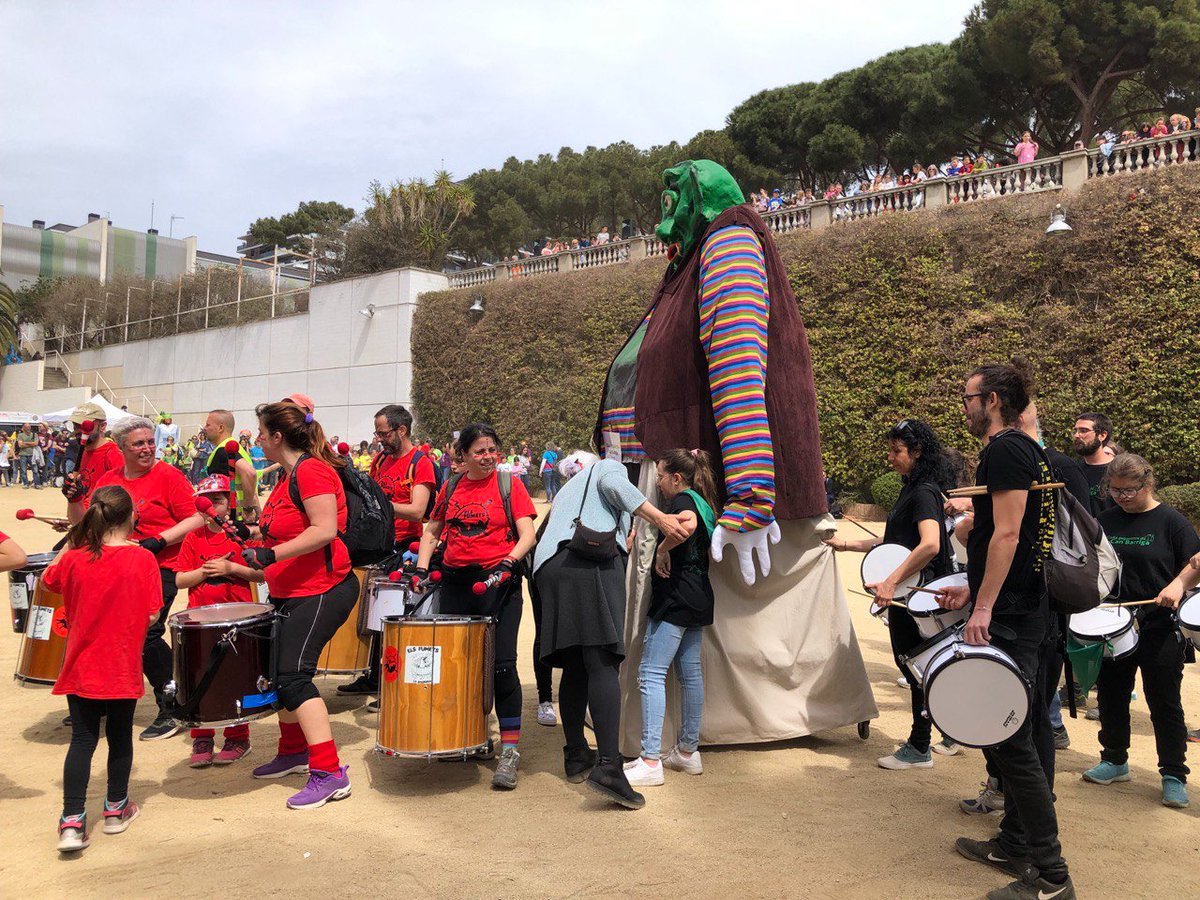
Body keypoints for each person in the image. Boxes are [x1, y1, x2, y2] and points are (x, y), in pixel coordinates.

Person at [937, 360, 1073, 900]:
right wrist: (974, 588)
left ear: (992, 399)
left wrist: (983, 607)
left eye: (968, 396)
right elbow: (1013, 537)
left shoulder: (1005, 449)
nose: (964, 406)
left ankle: (1054, 878)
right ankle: (1016, 843)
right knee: (1027, 732)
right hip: (1024, 608)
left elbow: (1010, 535)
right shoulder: (1029, 450)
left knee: (1013, 739)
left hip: (1017, 616)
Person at [532, 451, 687, 807]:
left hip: (550, 569)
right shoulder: (606, 467)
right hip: (587, 567)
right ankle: (609, 766)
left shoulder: (569, 489)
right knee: (602, 660)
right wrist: (661, 518)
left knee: (575, 664)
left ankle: (576, 754)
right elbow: (612, 482)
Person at [242, 396, 358, 810]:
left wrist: (271, 555)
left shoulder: (312, 471)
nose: (256, 440)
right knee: (278, 672)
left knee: (293, 675)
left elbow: (325, 530)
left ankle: (329, 773)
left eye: (260, 433)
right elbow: (283, 531)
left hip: (324, 588)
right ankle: (293, 752)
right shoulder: (286, 477)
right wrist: (255, 541)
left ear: (277, 436)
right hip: (293, 590)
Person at [825, 420, 960, 770]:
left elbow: (929, 544)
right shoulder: (911, 488)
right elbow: (895, 543)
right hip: (908, 593)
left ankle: (920, 745)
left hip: (918, 595)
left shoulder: (924, 492)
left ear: (917, 452)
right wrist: (845, 544)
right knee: (911, 663)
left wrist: (889, 582)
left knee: (917, 665)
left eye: (896, 451)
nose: (890, 458)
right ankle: (924, 741)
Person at [415, 423, 537, 790]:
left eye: (491, 450)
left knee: (501, 666)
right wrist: (422, 567)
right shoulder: (451, 486)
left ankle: (510, 752)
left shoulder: (508, 484)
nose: (487, 457)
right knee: (461, 665)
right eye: (479, 452)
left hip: (498, 584)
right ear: (462, 456)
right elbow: (433, 531)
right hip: (454, 584)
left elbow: (527, 531)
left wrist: (509, 562)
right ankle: (472, 737)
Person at [43, 485, 162, 853]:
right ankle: (115, 810)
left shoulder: (75, 558)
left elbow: (49, 579)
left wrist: (76, 537)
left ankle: (72, 822)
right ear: (131, 516)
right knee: (120, 736)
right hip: (121, 662)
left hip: (80, 663)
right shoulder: (142, 559)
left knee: (82, 741)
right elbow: (153, 612)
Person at [1082, 454, 1198, 809]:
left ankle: (1174, 774)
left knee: (1164, 701)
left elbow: (1196, 561)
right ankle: (1115, 760)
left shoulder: (1171, 521)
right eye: (1115, 490)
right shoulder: (1105, 519)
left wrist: (1178, 585)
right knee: (1112, 695)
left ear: (1147, 485)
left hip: (1159, 624)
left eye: (1129, 491)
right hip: (1114, 621)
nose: (1121, 497)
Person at [94, 416, 205, 740]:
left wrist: (160, 540)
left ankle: (173, 704)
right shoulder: (109, 481)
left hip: (162, 566)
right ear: (121, 448)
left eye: (149, 442)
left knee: (148, 633)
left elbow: (198, 517)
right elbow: (90, 519)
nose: (146, 449)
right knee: (112, 632)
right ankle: (102, 700)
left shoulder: (168, 476)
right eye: (138, 444)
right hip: (118, 567)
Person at [625, 449, 721, 788]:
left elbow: (686, 526)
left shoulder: (684, 499)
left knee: (651, 672)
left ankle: (651, 759)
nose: (660, 483)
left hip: (676, 596)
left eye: (662, 476)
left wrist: (661, 550)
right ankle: (686, 752)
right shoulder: (705, 500)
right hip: (699, 595)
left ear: (677, 478)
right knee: (689, 672)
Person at [338, 404, 436, 698]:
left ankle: (392, 683)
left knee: (396, 618)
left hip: (407, 549)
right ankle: (372, 676)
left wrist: (380, 507)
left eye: (383, 433)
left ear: (401, 430)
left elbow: (418, 510)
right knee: (373, 616)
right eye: (377, 433)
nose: (379, 439)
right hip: (379, 545)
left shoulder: (421, 462)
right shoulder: (379, 460)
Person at [173, 475, 266, 768]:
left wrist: (230, 567)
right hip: (200, 619)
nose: (214, 505)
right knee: (199, 676)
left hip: (236, 617)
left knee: (234, 676)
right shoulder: (192, 538)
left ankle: (238, 736)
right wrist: (204, 572)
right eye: (208, 500)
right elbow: (179, 579)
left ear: (230, 503)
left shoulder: (241, 535)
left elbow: (261, 574)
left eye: (219, 500)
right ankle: (202, 736)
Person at [63, 403, 124, 525]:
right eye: (76, 426)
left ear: (102, 427)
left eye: (84, 426)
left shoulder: (113, 454)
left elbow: (120, 498)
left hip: (102, 524)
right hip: (84, 519)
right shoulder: (83, 452)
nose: (78, 430)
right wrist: (71, 519)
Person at [203, 409, 261, 524]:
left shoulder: (225, 450)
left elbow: (250, 473)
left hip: (234, 518)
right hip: (239, 517)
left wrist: (247, 508)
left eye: (208, 425)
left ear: (221, 428)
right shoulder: (235, 447)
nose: (204, 428)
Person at [1072, 412, 1115, 517]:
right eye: (1075, 431)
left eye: (1083, 431)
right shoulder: (1073, 470)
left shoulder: (1119, 469)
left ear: (1102, 435)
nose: (1077, 435)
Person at [15, 422, 39, 488]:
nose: (28, 428)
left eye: (29, 427)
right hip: (23, 455)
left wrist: (25, 443)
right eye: (26, 427)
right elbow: (20, 445)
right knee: (23, 470)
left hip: (32, 455)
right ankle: (26, 484)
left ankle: (36, 483)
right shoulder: (20, 435)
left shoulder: (35, 434)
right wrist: (31, 443)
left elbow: (36, 444)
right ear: (24, 428)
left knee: (35, 470)